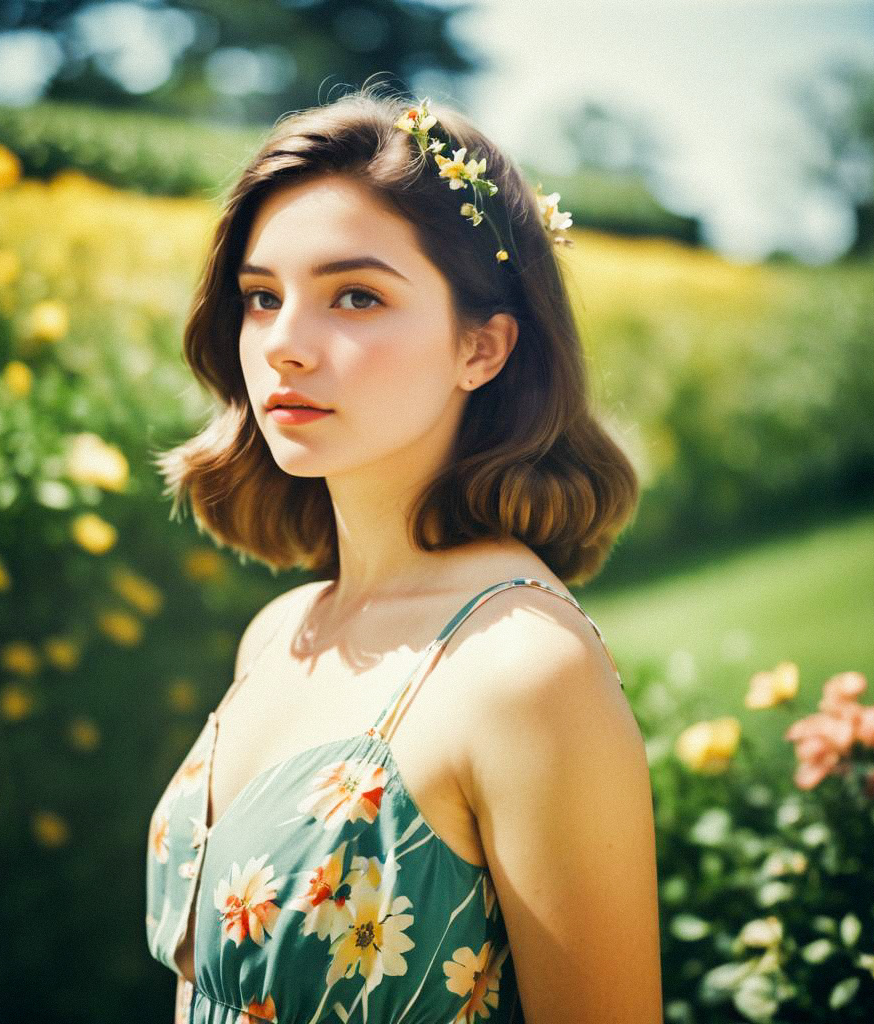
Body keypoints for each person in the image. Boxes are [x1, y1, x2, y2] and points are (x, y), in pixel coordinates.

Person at [145, 85, 663, 1024]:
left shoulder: (523, 670)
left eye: (355, 295)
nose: (284, 347)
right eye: (261, 298)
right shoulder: (278, 634)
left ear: (483, 346)